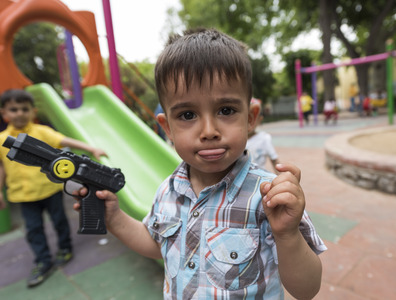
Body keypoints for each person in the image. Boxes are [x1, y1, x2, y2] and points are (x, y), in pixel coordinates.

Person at [74, 28, 326, 299]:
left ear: (251, 118)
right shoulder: (167, 191)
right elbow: (157, 245)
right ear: (167, 128)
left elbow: (306, 290)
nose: (208, 130)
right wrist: (115, 219)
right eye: (188, 114)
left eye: (226, 110)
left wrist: (287, 235)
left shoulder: (268, 197)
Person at [0, 89, 107, 288]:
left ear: (33, 111)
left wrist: (91, 148)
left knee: (59, 220)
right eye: (14, 110)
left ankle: (65, 248)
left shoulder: (42, 132)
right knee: (33, 229)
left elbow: (65, 140)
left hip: (48, 190)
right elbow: (2, 168)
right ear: (4, 113)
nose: (20, 113)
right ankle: (43, 260)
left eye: (25, 109)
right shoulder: (1, 140)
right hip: (23, 195)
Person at [246, 98, 280, 173]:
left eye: (252, 118)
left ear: (259, 119)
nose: (248, 123)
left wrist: (280, 178)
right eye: (245, 118)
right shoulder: (234, 140)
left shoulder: (264, 138)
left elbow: (274, 161)